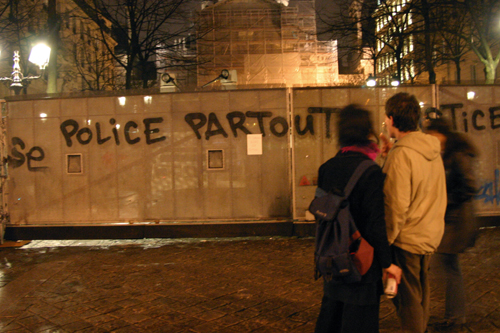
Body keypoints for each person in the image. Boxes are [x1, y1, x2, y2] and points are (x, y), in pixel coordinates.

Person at [314, 104, 402, 333]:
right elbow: (375, 224)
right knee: (359, 321)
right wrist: (387, 263)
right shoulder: (370, 172)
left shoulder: (327, 168)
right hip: (362, 263)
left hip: (333, 256)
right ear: (367, 131)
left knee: (332, 314)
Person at [380, 92, 447, 333]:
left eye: (386, 120)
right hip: (429, 234)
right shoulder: (430, 149)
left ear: (391, 118)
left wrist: (385, 245)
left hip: (407, 238)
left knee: (407, 302)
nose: (386, 124)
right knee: (421, 296)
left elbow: (395, 206)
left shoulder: (402, 155)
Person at [424, 118, 479, 329]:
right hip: (450, 219)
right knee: (449, 266)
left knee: (447, 265)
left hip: (457, 221)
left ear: (441, 134)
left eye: (432, 135)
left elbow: (469, 186)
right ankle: (454, 315)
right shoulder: (445, 153)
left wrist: (445, 199)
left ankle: (455, 317)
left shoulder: (457, 154)